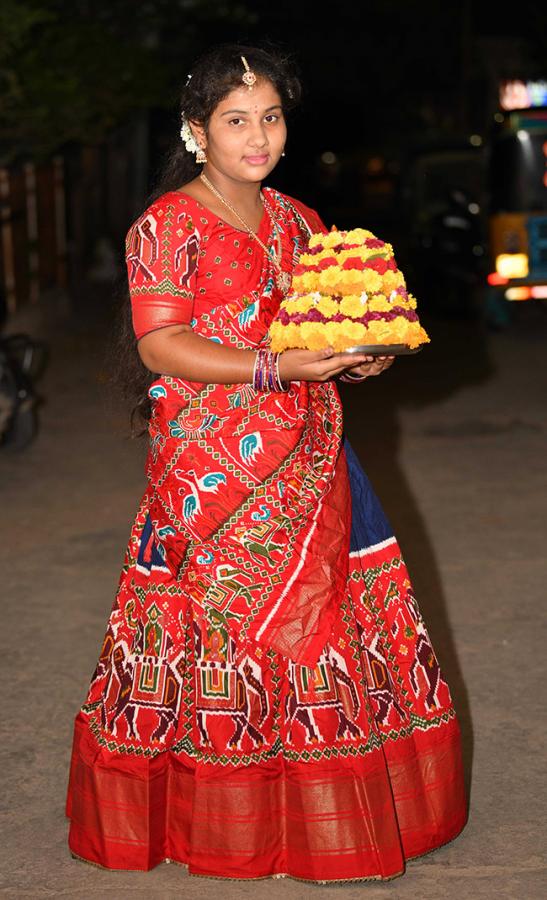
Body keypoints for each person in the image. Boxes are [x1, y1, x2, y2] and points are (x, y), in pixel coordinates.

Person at [65, 44, 468, 883]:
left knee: (321, 619)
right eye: (236, 120)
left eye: (271, 117)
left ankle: (314, 826)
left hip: (311, 452)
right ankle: (228, 825)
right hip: (215, 469)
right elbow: (159, 343)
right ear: (198, 131)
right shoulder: (167, 224)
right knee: (229, 631)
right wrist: (271, 370)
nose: (257, 137)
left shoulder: (300, 221)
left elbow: (317, 327)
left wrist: (360, 357)